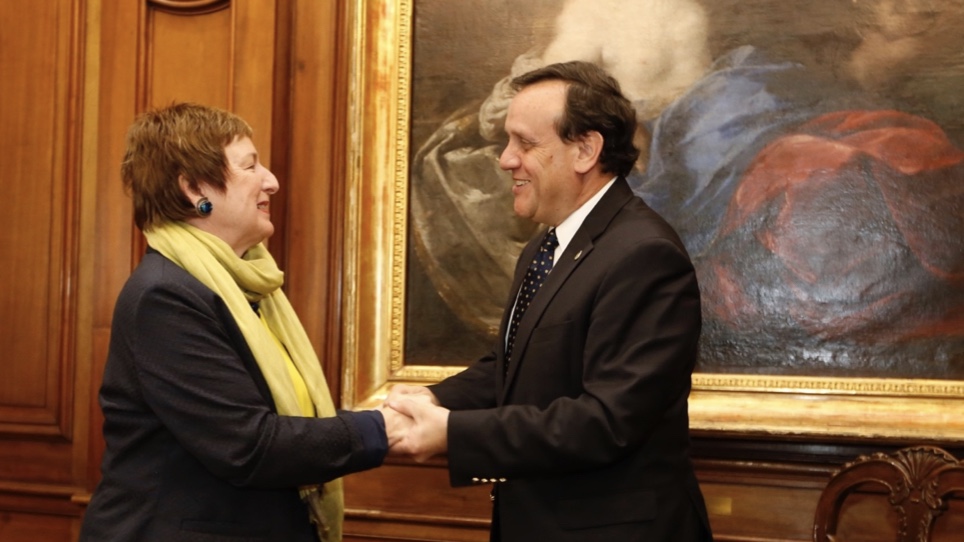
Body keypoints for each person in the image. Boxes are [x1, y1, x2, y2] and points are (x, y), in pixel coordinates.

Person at [389, 62, 712, 541]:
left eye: (525, 143)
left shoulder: (644, 254)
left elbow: (606, 421)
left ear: (585, 149)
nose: (504, 159)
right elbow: (513, 365)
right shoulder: (547, 246)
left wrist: (455, 433)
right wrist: (433, 398)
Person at [79, 103, 408, 542]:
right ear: (194, 187)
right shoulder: (165, 295)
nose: (271, 180)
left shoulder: (246, 286)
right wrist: (385, 428)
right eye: (250, 165)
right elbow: (250, 446)